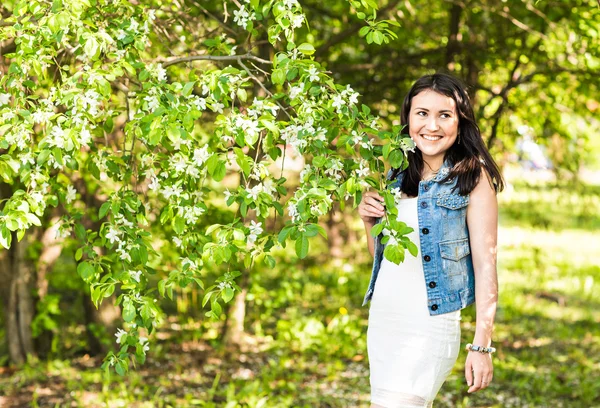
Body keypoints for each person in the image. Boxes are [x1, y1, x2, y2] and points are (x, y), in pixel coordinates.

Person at [358, 72, 504, 408]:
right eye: (422, 113)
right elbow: (387, 262)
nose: (432, 125)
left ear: (459, 121)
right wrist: (369, 223)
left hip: (429, 326)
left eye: (444, 115)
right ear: (408, 117)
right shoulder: (393, 174)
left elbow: (486, 265)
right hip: (384, 320)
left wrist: (482, 345)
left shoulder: (471, 177)